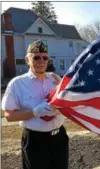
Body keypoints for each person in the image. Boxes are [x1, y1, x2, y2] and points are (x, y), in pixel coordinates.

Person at [2, 40, 69, 169]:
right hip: (35, 140)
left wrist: (61, 109)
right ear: (27, 59)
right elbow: (9, 116)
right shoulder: (17, 84)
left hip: (59, 137)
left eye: (45, 57)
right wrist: (34, 112)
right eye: (36, 57)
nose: (41, 61)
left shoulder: (55, 79)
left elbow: (67, 101)